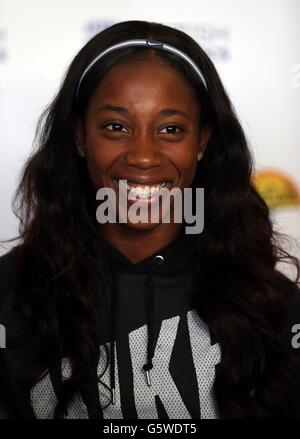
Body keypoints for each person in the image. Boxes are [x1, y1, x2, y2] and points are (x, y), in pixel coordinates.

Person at [0, 19, 300, 420]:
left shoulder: (269, 304)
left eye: (171, 129)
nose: (143, 155)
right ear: (79, 136)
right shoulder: (10, 290)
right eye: (116, 127)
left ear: (203, 142)